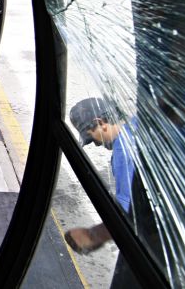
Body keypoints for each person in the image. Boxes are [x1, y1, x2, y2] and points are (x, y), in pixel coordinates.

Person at [64, 98, 136, 253]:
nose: (97, 144)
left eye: (91, 137)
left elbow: (127, 211)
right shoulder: (138, 124)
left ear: (101, 123)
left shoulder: (123, 152)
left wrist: (93, 235)